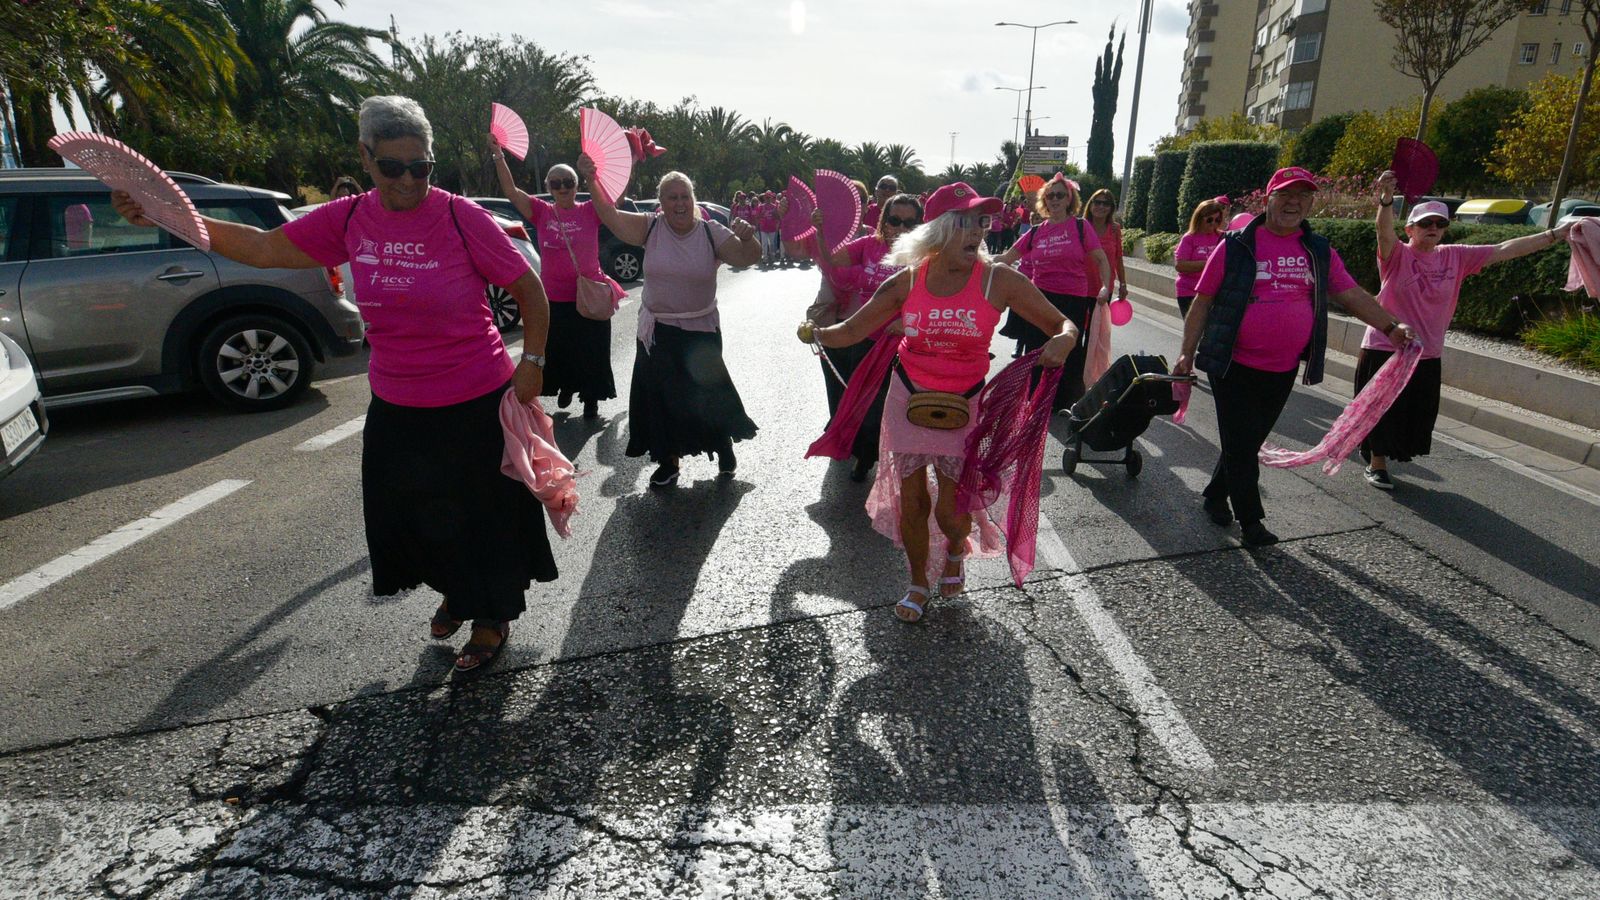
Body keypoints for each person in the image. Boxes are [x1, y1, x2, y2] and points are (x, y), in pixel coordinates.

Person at [114, 96, 555, 670]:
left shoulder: (458, 216)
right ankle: (458, 587)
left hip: (474, 398)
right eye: (392, 167)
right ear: (367, 159)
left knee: (482, 518)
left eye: (420, 167)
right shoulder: (349, 217)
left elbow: (530, 292)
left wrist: (534, 363)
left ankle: (489, 618)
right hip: (397, 400)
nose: (407, 181)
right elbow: (263, 248)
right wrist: (166, 215)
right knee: (411, 516)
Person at [811, 182, 1078, 623]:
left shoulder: (999, 279)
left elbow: (1062, 323)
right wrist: (817, 333)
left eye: (982, 223)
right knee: (912, 501)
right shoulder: (908, 281)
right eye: (965, 224)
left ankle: (956, 546)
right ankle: (917, 581)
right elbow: (853, 331)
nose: (977, 233)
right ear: (937, 231)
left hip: (965, 404)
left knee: (952, 513)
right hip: (908, 398)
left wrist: (1065, 341)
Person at [1172, 167, 1417, 547]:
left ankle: (1215, 494)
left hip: (1282, 368)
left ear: (1310, 203)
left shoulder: (1318, 251)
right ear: (1267, 199)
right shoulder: (1235, 246)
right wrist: (1186, 353)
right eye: (1285, 194)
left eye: (1303, 196)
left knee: (1247, 441)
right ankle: (1252, 523)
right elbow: (1202, 301)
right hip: (1230, 364)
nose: (1293, 202)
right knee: (1241, 443)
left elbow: (1351, 294)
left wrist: (1390, 327)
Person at [1358, 171, 1572, 490]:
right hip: (1385, 345)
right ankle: (1377, 462)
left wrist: (1555, 234)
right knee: (1383, 410)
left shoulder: (1456, 256)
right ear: (1410, 229)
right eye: (1426, 224)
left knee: (1415, 414)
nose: (1433, 229)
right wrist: (1386, 199)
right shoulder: (1397, 255)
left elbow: (1505, 249)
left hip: (1426, 352)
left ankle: (1382, 453)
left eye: (1439, 224)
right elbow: (1382, 231)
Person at [580, 158, 763, 486]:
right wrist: (591, 179)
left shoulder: (710, 231)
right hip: (656, 331)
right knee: (661, 399)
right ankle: (669, 462)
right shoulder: (650, 226)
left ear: (693, 200)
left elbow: (748, 257)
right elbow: (608, 213)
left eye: (685, 197)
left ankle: (723, 447)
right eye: (672, 197)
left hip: (701, 332)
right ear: (661, 202)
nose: (679, 203)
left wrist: (749, 239)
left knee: (706, 395)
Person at [783, 192, 925, 480]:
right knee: (866, 404)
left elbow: (937, 297)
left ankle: (900, 461)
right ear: (884, 221)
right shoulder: (868, 246)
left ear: (920, 225)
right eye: (895, 220)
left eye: (909, 223)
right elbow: (832, 260)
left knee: (894, 406)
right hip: (864, 339)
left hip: (904, 346)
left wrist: (906, 322)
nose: (900, 228)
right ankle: (865, 456)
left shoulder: (926, 255)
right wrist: (820, 231)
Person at [490, 138, 619, 419]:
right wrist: (498, 155)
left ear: (577, 186)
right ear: (549, 187)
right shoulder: (542, 212)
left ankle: (591, 400)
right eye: (556, 183)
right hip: (554, 299)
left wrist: (594, 173)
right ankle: (565, 386)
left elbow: (613, 198)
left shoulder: (590, 210)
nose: (562, 188)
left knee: (592, 350)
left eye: (568, 182)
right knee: (558, 350)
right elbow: (511, 191)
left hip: (590, 296)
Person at [995, 173, 1112, 408]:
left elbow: (1101, 260)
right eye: (1050, 195)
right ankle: (1036, 397)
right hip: (1039, 297)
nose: (1054, 199)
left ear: (1069, 199)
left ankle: (1065, 401)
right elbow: (1007, 258)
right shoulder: (1037, 231)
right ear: (1044, 200)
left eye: (1060, 195)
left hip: (1073, 298)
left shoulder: (1081, 226)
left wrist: (1105, 287)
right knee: (1037, 346)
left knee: (1068, 348)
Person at [1174, 198, 1228, 319]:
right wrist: (1209, 263)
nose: (1213, 223)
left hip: (1213, 291)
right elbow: (1180, 265)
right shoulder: (1189, 238)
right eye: (1209, 220)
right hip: (1189, 291)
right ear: (1199, 218)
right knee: (1196, 331)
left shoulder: (1223, 237)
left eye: (1217, 220)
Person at [1084, 189, 1128, 309]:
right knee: (1076, 327)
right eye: (1097, 202)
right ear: (1091, 204)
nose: (1101, 206)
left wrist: (1123, 284)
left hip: (1104, 290)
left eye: (1106, 204)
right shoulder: (1080, 227)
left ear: (1111, 208)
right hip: (1080, 287)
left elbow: (1118, 259)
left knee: (1098, 327)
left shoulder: (1115, 229)